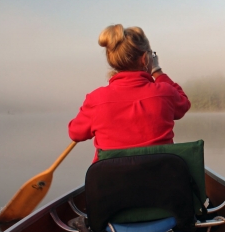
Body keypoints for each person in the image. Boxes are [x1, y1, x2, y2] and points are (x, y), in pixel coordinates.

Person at [68, 24, 191, 162]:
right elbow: (184, 103)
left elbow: (75, 133)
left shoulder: (96, 100)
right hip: (160, 181)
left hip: (112, 182)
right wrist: (157, 71)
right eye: (151, 55)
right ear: (144, 58)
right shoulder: (165, 93)